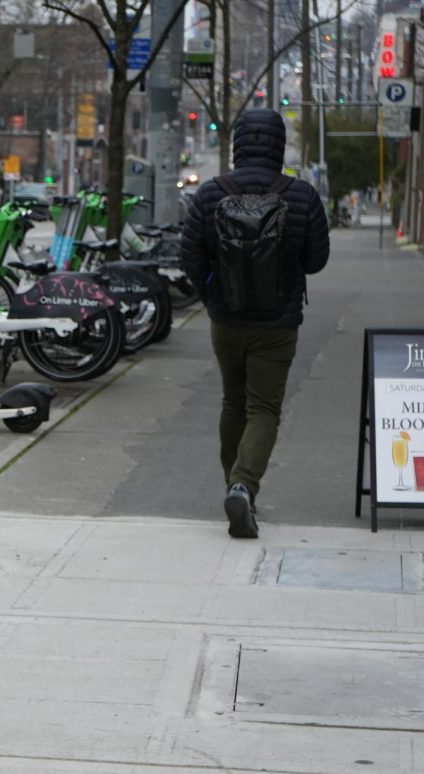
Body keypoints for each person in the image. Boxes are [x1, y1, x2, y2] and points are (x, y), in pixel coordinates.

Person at [180, 108, 330, 538]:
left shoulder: (211, 194)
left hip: (226, 320)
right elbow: (317, 261)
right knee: (263, 407)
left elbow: (189, 257)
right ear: (279, 144)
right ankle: (243, 486)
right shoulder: (301, 196)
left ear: (239, 142)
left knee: (233, 401)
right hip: (278, 324)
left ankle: (238, 488)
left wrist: (213, 295)